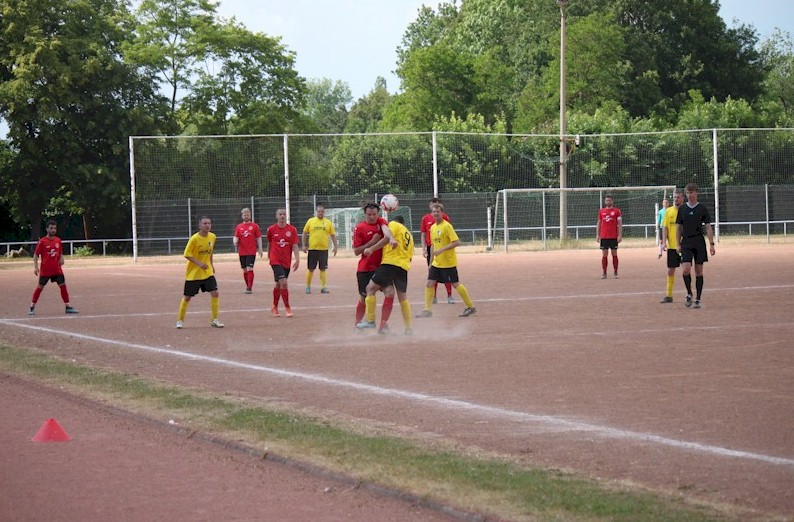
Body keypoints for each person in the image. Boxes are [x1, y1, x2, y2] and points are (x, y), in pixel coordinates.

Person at [415, 203, 476, 318]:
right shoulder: (432, 227)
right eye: (434, 212)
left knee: (455, 284)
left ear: (442, 213)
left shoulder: (447, 226)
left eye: (438, 211)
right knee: (429, 283)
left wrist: (442, 250)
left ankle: (470, 307)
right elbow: (433, 245)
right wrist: (430, 262)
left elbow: (457, 242)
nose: (436, 213)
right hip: (436, 263)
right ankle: (427, 310)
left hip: (448, 263)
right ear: (431, 213)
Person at [356, 215, 414, 335]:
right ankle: (408, 328)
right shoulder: (408, 234)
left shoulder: (393, 224)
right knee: (402, 297)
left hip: (390, 263)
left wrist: (372, 248)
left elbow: (387, 238)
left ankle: (370, 320)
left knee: (370, 288)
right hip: (403, 267)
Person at [352, 202, 395, 328]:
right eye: (369, 214)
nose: (372, 217)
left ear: (378, 214)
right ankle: (357, 324)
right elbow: (356, 251)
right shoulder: (359, 228)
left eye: (374, 214)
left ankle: (383, 325)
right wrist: (371, 243)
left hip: (382, 268)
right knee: (363, 298)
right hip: (365, 268)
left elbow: (387, 234)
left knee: (390, 292)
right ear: (365, 214)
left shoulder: (381, 223)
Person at [176, 216, 223, 329]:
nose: (207, 225)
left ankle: (214, 319)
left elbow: (210, 252)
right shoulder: (194, 239)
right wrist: (199, 263)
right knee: (187, 297)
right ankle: (180, 320)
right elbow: (186, 254)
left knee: (215, 293)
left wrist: (211, 265)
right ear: (200, 225)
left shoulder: (212, 237)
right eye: (205, 223)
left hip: (207, 272)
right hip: (194, 274)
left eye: (209, 223)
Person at [676, 183, 716, 309]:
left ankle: (698, 298)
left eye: (691, 192)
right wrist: (677, 243)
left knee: (699, 271)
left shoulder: (702, 209)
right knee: (685, 269)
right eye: (687, 193)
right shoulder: (682, 209)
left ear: (697, 193)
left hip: (699, 241)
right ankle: (689, 293)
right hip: (686, 242)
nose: (689, 195)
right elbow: (678, 227)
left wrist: (711, 244)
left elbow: (708, 226)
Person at [28, 220, 79, 315]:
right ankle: (32, 306)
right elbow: (36, 255)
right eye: (51, 228)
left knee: (63, 286)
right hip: (45, 270)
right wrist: (35, 267)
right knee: (40, 288)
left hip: (57, 269)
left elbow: (60, 252)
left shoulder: (58, 240)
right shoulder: (42, 241)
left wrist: (62, 258)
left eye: (54, 228)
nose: (53, 230)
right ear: (47, 229)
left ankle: (68, 307)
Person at [419, 197, 454, 304]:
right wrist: (424, 248)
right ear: (430, 206)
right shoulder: (425, 218)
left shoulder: (445, 218)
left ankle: (449, 296)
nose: (435, 206)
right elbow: (423, 234)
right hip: (431, 248)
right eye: (433, 204)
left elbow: (449, 233)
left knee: (446, 273)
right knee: (432, 272)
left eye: (437, 204)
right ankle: (434, 297)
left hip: (443, 248)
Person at [267, 208, 300, 317]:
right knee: (284, 282)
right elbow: (270, 243)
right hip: (275, 260)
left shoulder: (292, 230)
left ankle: (274, 306)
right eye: (280, 214)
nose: (282, 216)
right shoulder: (271, 229)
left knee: (278, 283)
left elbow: (294, 245)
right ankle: (287, 307)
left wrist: (297, 259)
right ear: (276, 216)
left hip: (286, 261)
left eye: (284, 214)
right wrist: (269, 256)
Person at [301, 205, 338, 294]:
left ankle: (323, 287)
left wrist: (335, 246)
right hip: (313, 249)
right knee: (311, 269)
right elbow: (305, 233)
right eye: (319, 211)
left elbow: (333, 235)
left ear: (324, 212)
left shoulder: (328, 222)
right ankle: (308, 286)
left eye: (322, 211)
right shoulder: (311, 221)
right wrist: (303, 245)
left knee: (323, 269)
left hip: (324, 250)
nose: (320, 213)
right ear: (316, 212)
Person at [658, 191, 684, 303]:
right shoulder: (668, 212)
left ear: (683, 198)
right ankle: (668, 295)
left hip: (685, 246)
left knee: (686, 270)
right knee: (670, 271)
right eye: (674, 197)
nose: (676, 199)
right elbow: (665, 228)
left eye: (678, 197)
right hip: (672, 247)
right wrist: (664, 242)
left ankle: (689, 294)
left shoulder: (686, 211)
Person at [233, 207, 264, 294]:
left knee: (250, 268)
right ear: (242, 216)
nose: (246, 216)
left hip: (251, 251)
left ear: (250, 215)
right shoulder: (239, 227)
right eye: (244, 214)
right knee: (244, 269)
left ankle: (249, 287)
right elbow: (236, 237)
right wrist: (235, 242)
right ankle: (247, 285)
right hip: (242, 251)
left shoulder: (254, 226)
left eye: (248, 214)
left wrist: (260, 248)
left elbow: (258, 238)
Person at [596, 195, 623, 278]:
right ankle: (604, 273)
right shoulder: (601, 211)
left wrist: (620, 235)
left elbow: (620, 224)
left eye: (609, 200)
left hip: (613, 236)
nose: (608, 202)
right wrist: (597, 235)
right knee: (604, 254)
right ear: (605, 202)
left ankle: (615, 272)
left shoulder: (617, 211)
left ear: (612, 201)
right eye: (607, 200)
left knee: (614, 254)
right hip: (604, 236)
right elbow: (599, 223)